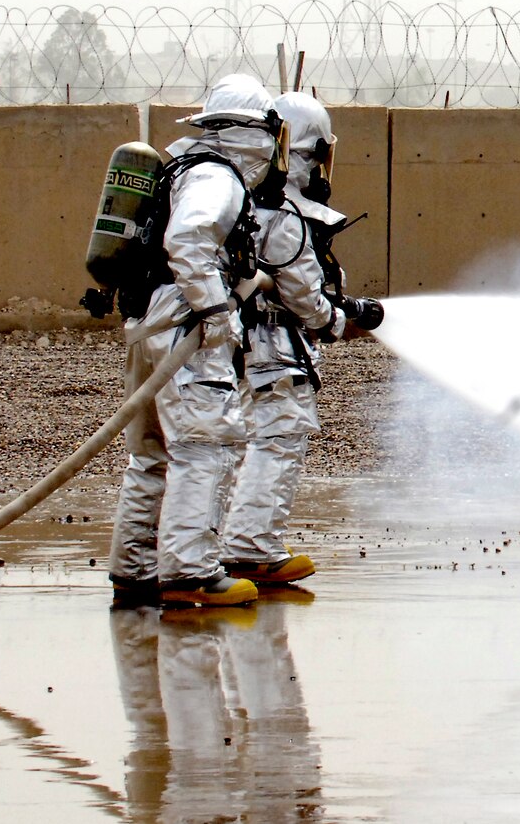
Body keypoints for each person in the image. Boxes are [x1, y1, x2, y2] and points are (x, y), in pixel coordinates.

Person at [107, 73, 282, 609]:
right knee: (204, 444)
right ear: (255, 133)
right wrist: (214, 308)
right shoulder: (218, 177)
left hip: (153, 319)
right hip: (185, 323)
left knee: (154, 451)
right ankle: (189, 572)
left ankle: (135, 568)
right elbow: (187, 238)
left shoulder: (184, 168)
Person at [222, 91, 382, 587]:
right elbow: (304, 297)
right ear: (308, 153)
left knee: (226, 445)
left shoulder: (238, 198)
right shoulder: (285, 216)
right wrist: (339, 321)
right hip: (273, 347)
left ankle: (211, 547)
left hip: (233, 344)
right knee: (280, 438)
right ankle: (251, 547)